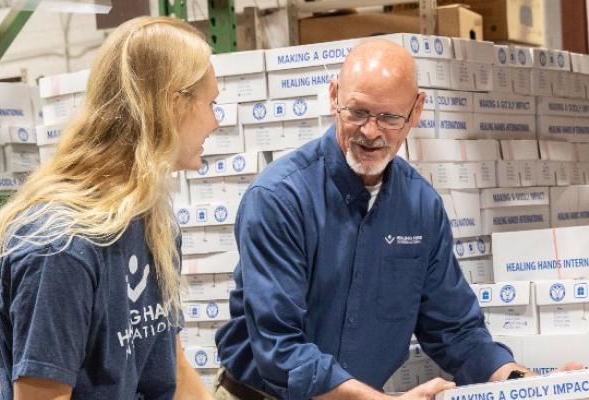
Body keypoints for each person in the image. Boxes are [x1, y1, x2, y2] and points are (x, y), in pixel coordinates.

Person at [214, 39, 538, 400]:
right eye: (358, 112)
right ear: (334, 96)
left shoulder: (420, 207)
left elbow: (457, 333)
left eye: (389, 117)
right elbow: (281, 351)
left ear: (416, 112)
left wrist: (529, 382)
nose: (371, 131)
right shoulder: (279, 199)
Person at [0, 16, 218, 400]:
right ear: (173, 106)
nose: (215, 122)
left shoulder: (152, 223)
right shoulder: (61, 247)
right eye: (211, 104)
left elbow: (172, 370)